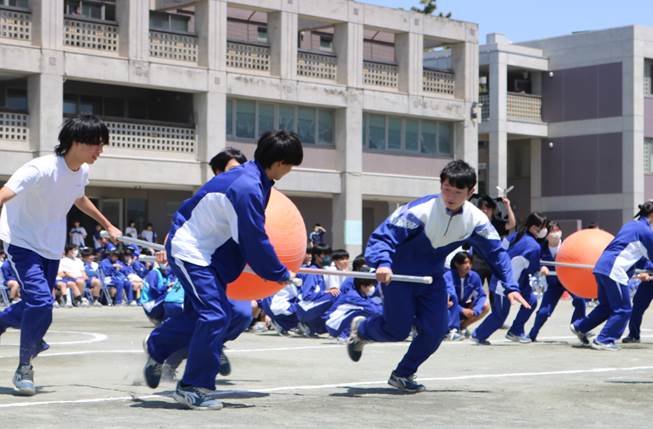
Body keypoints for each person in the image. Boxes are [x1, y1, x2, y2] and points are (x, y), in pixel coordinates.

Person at [143, 130, 303, 410]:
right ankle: (191, 387)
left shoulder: (258, 180)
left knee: (200, 316)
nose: (291, 171)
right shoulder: (247, 187)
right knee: (216, 315)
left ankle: (156, 347)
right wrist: (278, 272)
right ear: (279, 162)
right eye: (290, 165)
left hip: (211, 255)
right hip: (191, 251)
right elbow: (254, 237)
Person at [346, 160, 529, 393]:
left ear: (471, 192)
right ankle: (361, 330)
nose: (450, 196)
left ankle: (402, 374)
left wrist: (511, 286)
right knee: (397, 330)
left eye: (457, 191)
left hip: (432, 279)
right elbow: (383, 237)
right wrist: (383, 263)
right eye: (446, 189)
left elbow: (497, 253)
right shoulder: (419, 210)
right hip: (398, 276)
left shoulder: (476, 220)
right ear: (440, 185)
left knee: (436, 330)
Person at [0, 115, 121, 395]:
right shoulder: (39, 168)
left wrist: (108, 224)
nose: (100, 151)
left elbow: (79, 198)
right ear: (77, 142)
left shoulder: (81, 172)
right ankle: (24, 368)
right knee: (41, 303)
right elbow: (5, 193)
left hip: (51, 246)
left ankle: (4, 321)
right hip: (21, 242)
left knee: (38, 306)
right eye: (97, 145)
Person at [571, 202, 653, 350]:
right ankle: (604, 340)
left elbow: (636, 254)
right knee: (624, 309)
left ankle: (581, 327)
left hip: (602, 267)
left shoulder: (630, 225)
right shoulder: (646, 231)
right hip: (615, 270)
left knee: (607, 306)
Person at [473, 212, 548, 345]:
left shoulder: (515, 236)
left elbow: (500, 252)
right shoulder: (534, 246)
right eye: (540, 227)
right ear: (532, 227)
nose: (543, 230)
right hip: (504, 284)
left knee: (530, 301)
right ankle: (478, 334)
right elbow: (533, 269)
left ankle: (516, 330)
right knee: (500, 316)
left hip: (511, 280)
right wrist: (541, 270)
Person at [527, 222, 586, 342]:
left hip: (570, 281)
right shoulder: (540, 248)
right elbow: (533, 262)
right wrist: (540, 268)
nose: (555, 233)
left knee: (580, 301)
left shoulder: (569, 245)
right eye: (552, 230)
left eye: (557, 230)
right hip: (553, 284)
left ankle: (578, 327)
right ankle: (533, 333)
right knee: (544, 311)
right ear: (546, 234)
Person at [324, 265, 383, 341]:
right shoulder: (353, 296)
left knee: (370, 310)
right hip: (333, 325)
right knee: (366, 311)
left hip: (336, 323)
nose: (373, 287)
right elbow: (375, 310)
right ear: (362, 285)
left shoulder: (363, 295)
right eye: (371, 285)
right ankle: (344, 335)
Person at [444, 251, 489, 340]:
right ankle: (449, 330)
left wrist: (475, 311)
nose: (468, 265)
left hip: (463, 307)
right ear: (457, 264)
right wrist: (462, 309)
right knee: (447, 302)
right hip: (451, 308)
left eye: (470, 263)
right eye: (465, 263)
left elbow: (481, 295)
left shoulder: (474, 276)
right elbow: (451, 297)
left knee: (485, 306)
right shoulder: (448, 276)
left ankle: (461, 327)